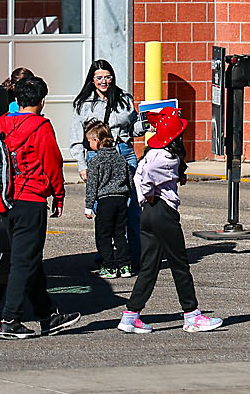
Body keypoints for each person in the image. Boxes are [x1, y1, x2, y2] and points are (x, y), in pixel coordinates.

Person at [117, 108, 223, 333]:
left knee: (149, 266)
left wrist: (145, 197)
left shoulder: (151, 153)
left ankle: (131, 314)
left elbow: (140, 176)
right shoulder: (168, 157)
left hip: (148, 213)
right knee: (179, 264)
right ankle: (192, 314)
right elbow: (146, 179)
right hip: (163, 212)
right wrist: (149, 193)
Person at [0, 74, 80, 340]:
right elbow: (52, 162)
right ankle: (10, 319)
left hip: (7, 198)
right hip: (32, 199)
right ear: (42, 101)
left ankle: (48, 315)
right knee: (23, 261)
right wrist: (59, 193)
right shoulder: (41, 127)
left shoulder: (3, 123)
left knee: (29, 259)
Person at [72, 59, 142, 272]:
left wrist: (147, 123)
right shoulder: (83, 103)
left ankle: (132, 258)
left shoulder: (124, 99)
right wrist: (82, 165)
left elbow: (134, 127)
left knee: (131, 209)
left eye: (107, 77)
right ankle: (107, 257)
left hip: (124, 153)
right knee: (103, 211)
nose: (104, 81)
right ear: (92, 80)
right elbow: (76, 138)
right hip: (97, 157)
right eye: (99, 78)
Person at [83, 121, 138, 279]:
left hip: (105, 200)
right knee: (120, 233)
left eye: (90, 141)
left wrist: (88, 206)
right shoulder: (121, 158)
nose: (89, 144)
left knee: (104, 234)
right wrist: (127, 194)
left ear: (97, 141)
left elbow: (92, 185)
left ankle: (109, 266)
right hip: (121, 199)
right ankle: (125, 265)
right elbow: (129, 179)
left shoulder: (96, 161)